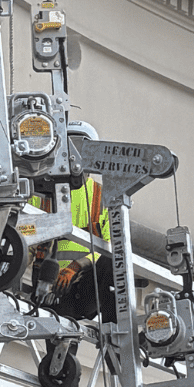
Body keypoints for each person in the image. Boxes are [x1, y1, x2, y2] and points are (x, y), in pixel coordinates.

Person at [29, 122, 116, 321]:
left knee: (111, 264)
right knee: (61, 342)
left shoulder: (102, 197)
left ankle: (114, 333)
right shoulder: (41, 193)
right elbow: (26, 241)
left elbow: (110, 249)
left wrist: (76, 267)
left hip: (84, 284)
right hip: (48, 285)